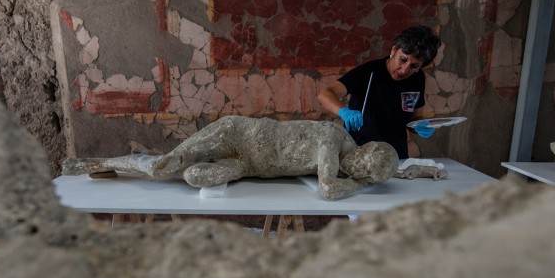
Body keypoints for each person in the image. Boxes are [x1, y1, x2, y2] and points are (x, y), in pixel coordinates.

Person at [62, 116, 399, 200]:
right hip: (239, 134)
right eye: (365, 163)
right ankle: (101, 163)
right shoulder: (334, 136)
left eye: (368, 174)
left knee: (194, 177)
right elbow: (328, 189)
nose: (359, 170)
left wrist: (417, 171)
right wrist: (355, 184)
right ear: (366, 148)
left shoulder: (345, 162)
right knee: (165, 168)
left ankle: (144, 162)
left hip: (245, 166)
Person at [318, 25, 442, 159]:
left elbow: (416, 117)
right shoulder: (368, 71)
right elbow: (325, 94)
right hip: (359, 153)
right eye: (403, 59)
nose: (404, 70)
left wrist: (420, 126)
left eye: (414, 66)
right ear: (394, 50)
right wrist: (344, 111)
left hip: (395, 156)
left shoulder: (417, 78)